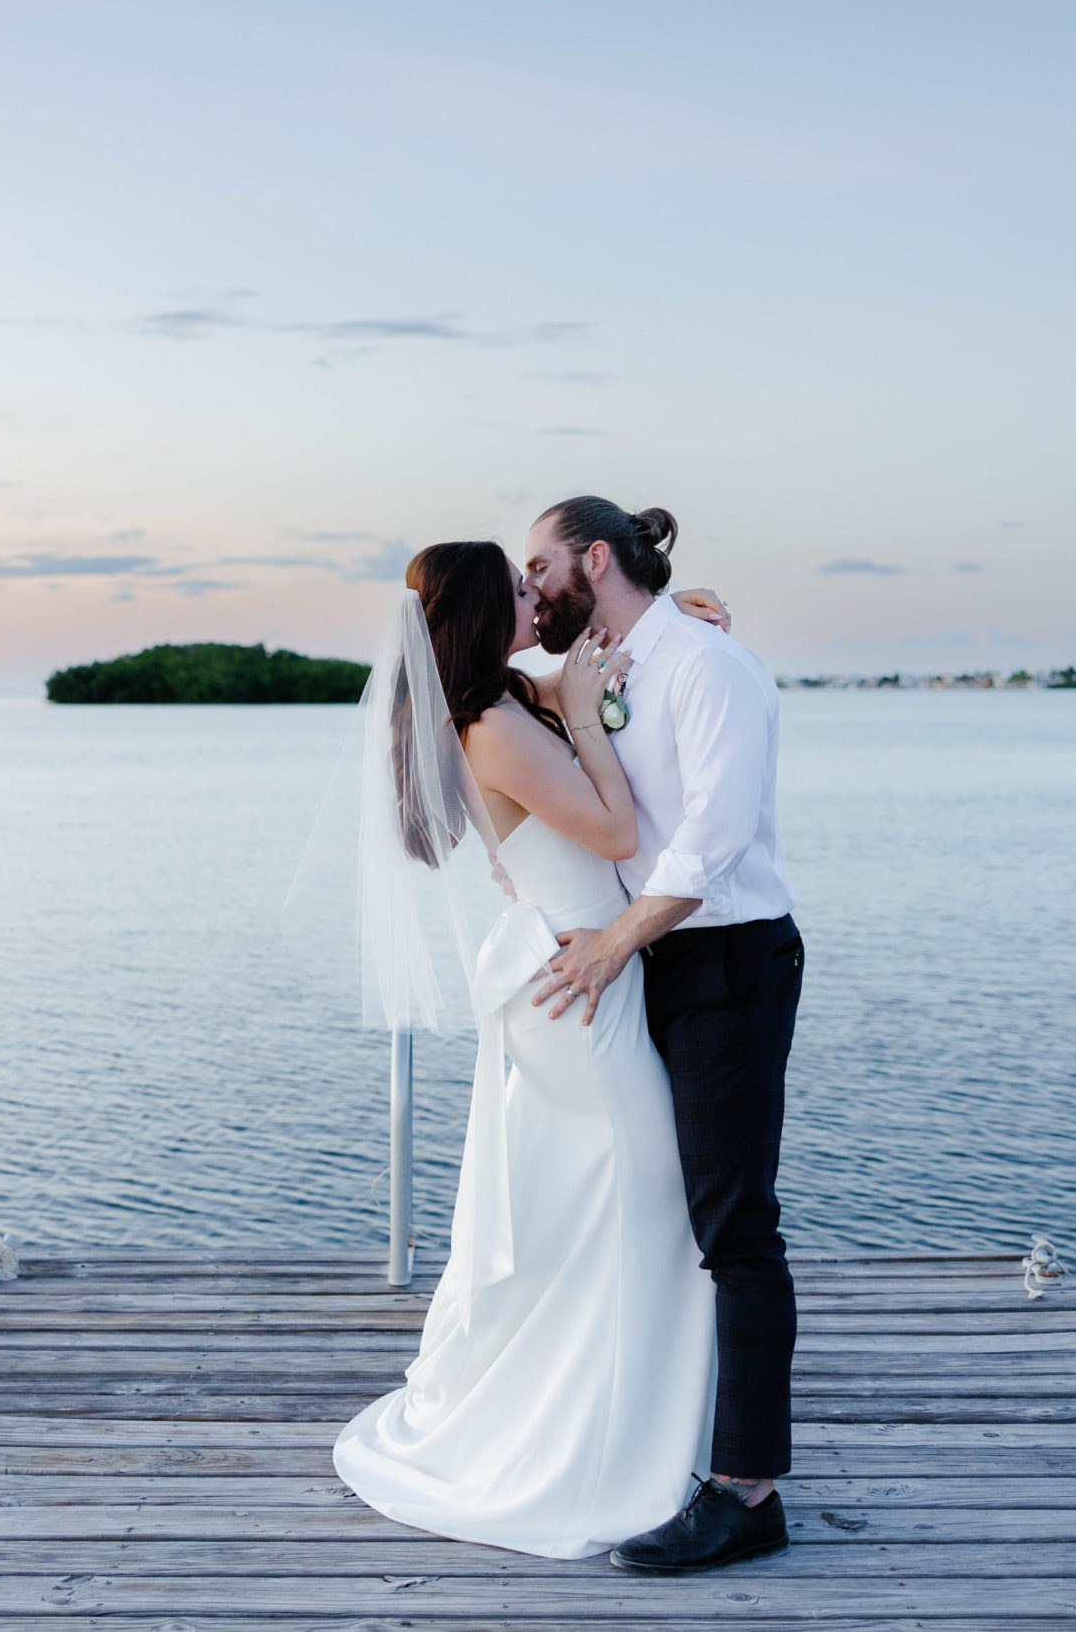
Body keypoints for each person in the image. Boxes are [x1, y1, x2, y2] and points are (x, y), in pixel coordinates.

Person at [329, 542, 737, 1559]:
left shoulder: (505, 697)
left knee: (604, 1210)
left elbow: (580, 666)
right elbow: (609, 827)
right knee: (644, 1201)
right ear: (477, 611)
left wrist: (670, 616)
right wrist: (599, 726)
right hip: (573, 991)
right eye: (517, 588)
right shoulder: (495, 728)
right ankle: (600, 1444)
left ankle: (631, 1421)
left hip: (572, 978)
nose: (537, 594)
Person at [524, 496, 801, 1575]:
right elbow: (526, 706)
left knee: (736, 1226)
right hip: (659, 959)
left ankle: (746, 1491)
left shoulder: (707, 664)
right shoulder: (613, 654)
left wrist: (607, 946)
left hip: (726, 959)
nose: (531, 584)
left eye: (540, 564)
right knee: (665, 1205)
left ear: (595, 557)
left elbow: (715, 842)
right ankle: (666, 1440)